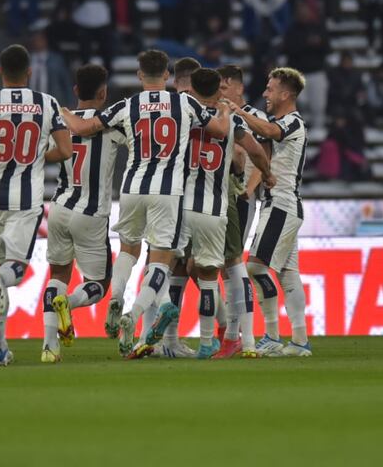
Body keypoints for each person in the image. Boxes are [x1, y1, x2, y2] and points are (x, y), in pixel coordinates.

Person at [60, 50, 231, 358]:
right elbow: (218, 130)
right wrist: (227, 114)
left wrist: (62, 111)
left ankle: (116, 296)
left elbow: (83, 129)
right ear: (167, 75)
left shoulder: (127, 105)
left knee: (129, 249)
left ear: (139, 75)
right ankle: (134, 315)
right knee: (160, 261)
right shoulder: (186, 102)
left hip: (132, 188)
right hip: (167, 192)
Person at [0, 44, 72, 366]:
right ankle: (2, 283)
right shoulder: (47, 103)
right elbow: (65, 150)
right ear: (29, 72)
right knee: (15, 270)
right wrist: (38, 156)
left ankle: (0, 348)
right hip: (25, 199)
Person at [169, 67, 273, 359]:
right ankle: (244, 339)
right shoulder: (231, 119)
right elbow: (251, 150)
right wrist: (266, 174)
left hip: (182, 203)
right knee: (232, 267)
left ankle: (176, 338)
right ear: (218, 90)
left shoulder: (183, 114)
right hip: (219, 202)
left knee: (177, 269)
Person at [40, 64, 125, 363]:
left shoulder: (58, 122)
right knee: (99, 284)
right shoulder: (113, 125)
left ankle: (50, 346)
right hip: (91, 213)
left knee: (58, 274)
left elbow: (44, 155)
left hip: (60, 207)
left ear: (76, 91)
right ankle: (70, 303)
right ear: (103, 93)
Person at [232, 67, 312, 358]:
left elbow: (267, 131)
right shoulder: (283, 120)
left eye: (270, 88)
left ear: (285, 94)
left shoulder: (292, 122)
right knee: (289, 274)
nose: (265, 93)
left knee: (255, 267)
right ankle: (300, 341)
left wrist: (238, 110)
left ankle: (272, 335)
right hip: (283, 204)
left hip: (281, 203)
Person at [27, 28, 74, 105]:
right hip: (29, 104)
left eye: (39, 39)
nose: (36, 42)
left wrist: (70, 103)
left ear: (45, 41)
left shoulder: (56, 59)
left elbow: (66, 82)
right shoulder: (26, 59)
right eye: (34, 40)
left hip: (51, 103)